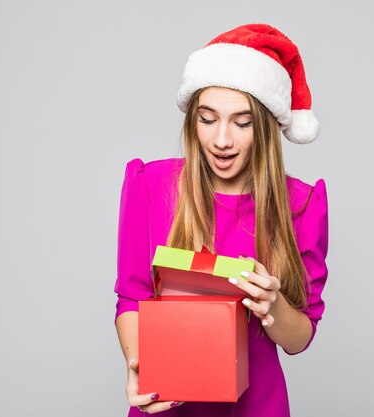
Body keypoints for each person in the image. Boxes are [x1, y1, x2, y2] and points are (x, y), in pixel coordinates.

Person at [113, 23, 329, 416]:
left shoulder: (301, 204)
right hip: (168, 405)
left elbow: (299, 338)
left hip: (257, 406)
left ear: (264, 127)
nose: (221, 140)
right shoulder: (150, 185)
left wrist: (272, 306)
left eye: (242, 123)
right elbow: (131, 298)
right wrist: (138, 368)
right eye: (207, 119)